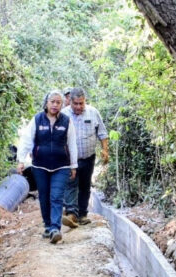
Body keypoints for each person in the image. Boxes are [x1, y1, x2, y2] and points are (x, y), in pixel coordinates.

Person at [17, 90, 77, 243]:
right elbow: (27, 140)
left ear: (62, 105)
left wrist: (73, 165)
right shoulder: (37, 119)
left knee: (56, 196)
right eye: (53, 102)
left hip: (61, 166)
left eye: (58, 102)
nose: (55, 105)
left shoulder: (66, 121)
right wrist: (21, 160)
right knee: (44, 197)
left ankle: (55, 228)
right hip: (40, 166)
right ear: (47, 103)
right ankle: (48, 225)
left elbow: (72, 144)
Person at [60, 87, 109, 227]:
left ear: (85, 101)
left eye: (81, 103)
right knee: (70, 184)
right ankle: (71, 214)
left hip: (88, 157)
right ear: (70, 102)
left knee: (85, 185)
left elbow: (102, 133)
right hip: (69, 160)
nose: (78, 107)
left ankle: (81, 214)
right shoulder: (63, 115)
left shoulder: (93, 112)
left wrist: (105, 150)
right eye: (75, 104)